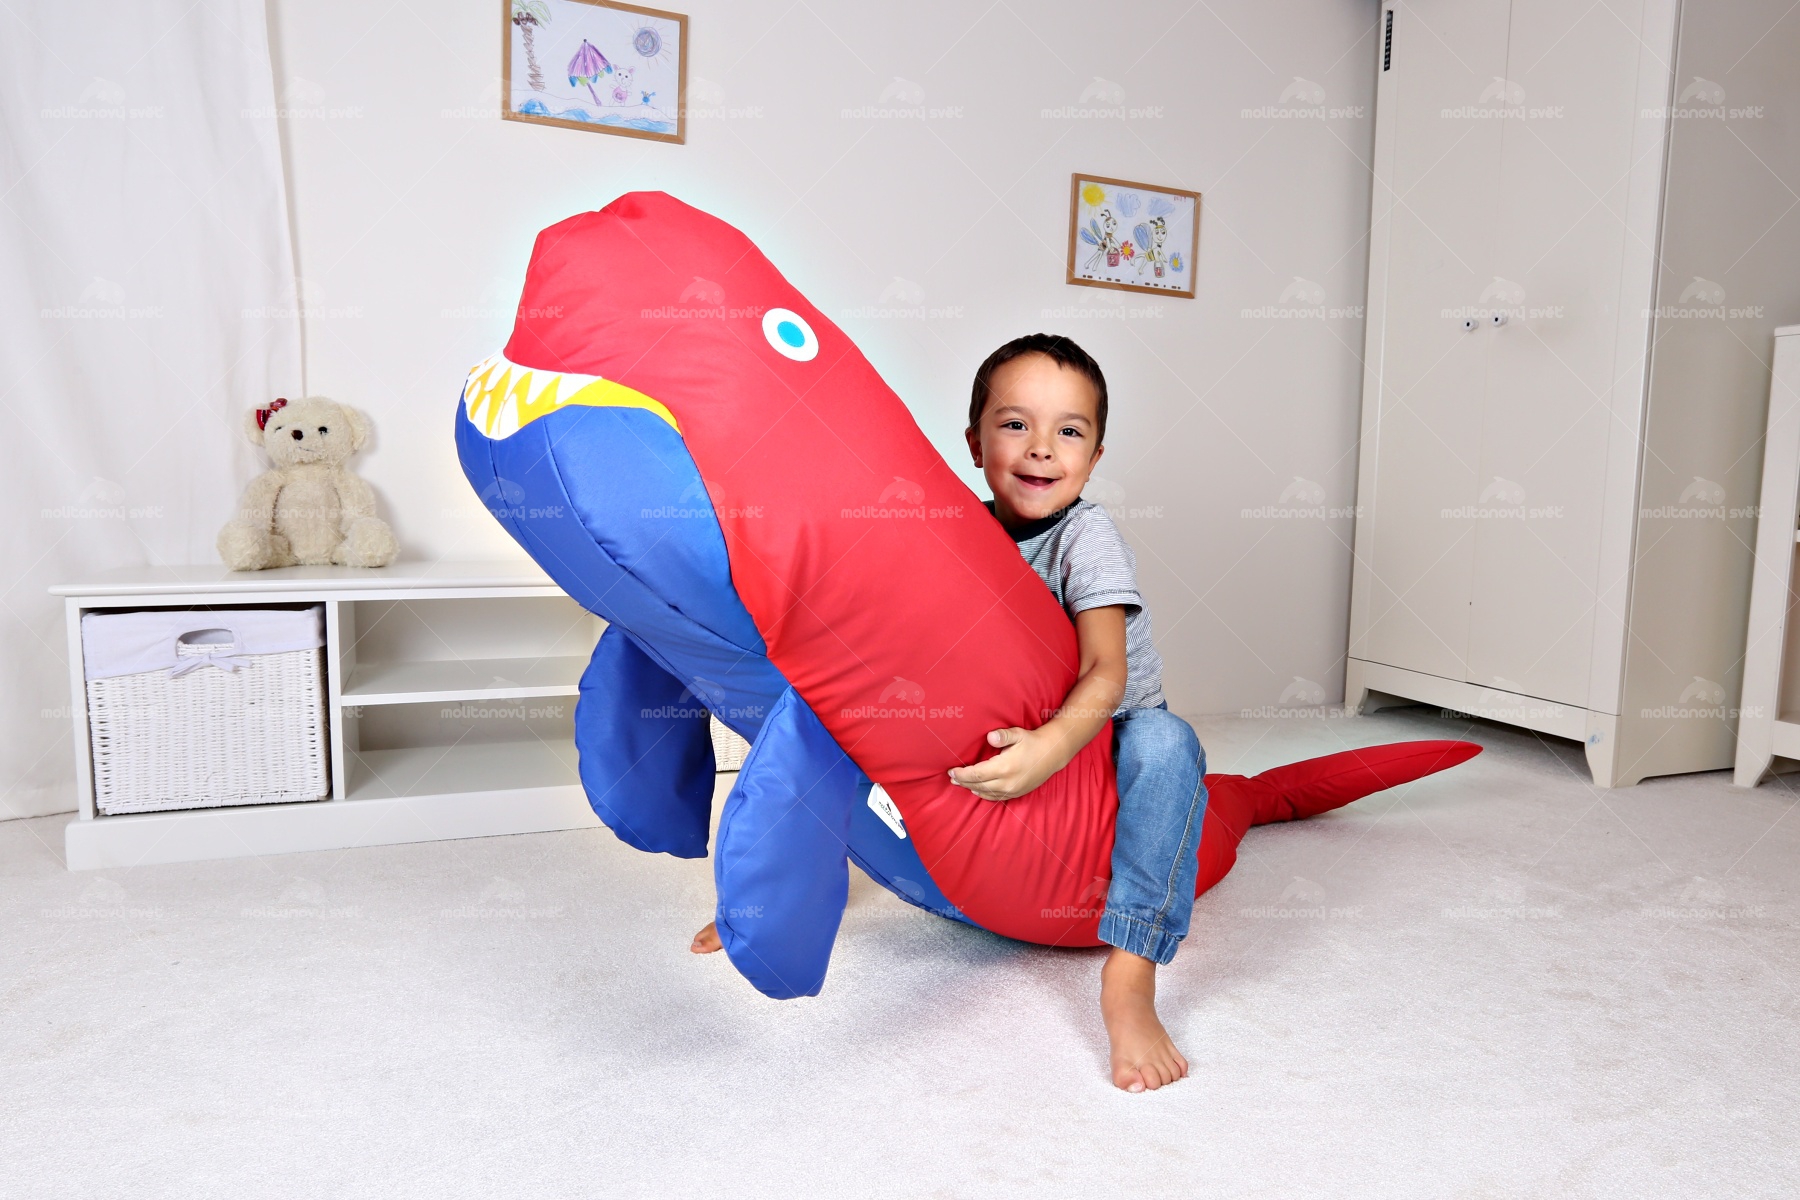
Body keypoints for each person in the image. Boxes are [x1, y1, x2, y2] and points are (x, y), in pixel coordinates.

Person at [692, 331, 1205, 1093]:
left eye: (1069, 432)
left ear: (1095, 458)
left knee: (1170, 742)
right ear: (973, 443)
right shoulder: (959, 529)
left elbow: (1107, 670)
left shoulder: (1085, 535)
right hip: (1001, 717)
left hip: (1106, 732)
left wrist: (1053, 746)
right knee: (849, 706)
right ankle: (775, 898)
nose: (1041, 448)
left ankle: (1132, 972)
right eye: (1015, 424)